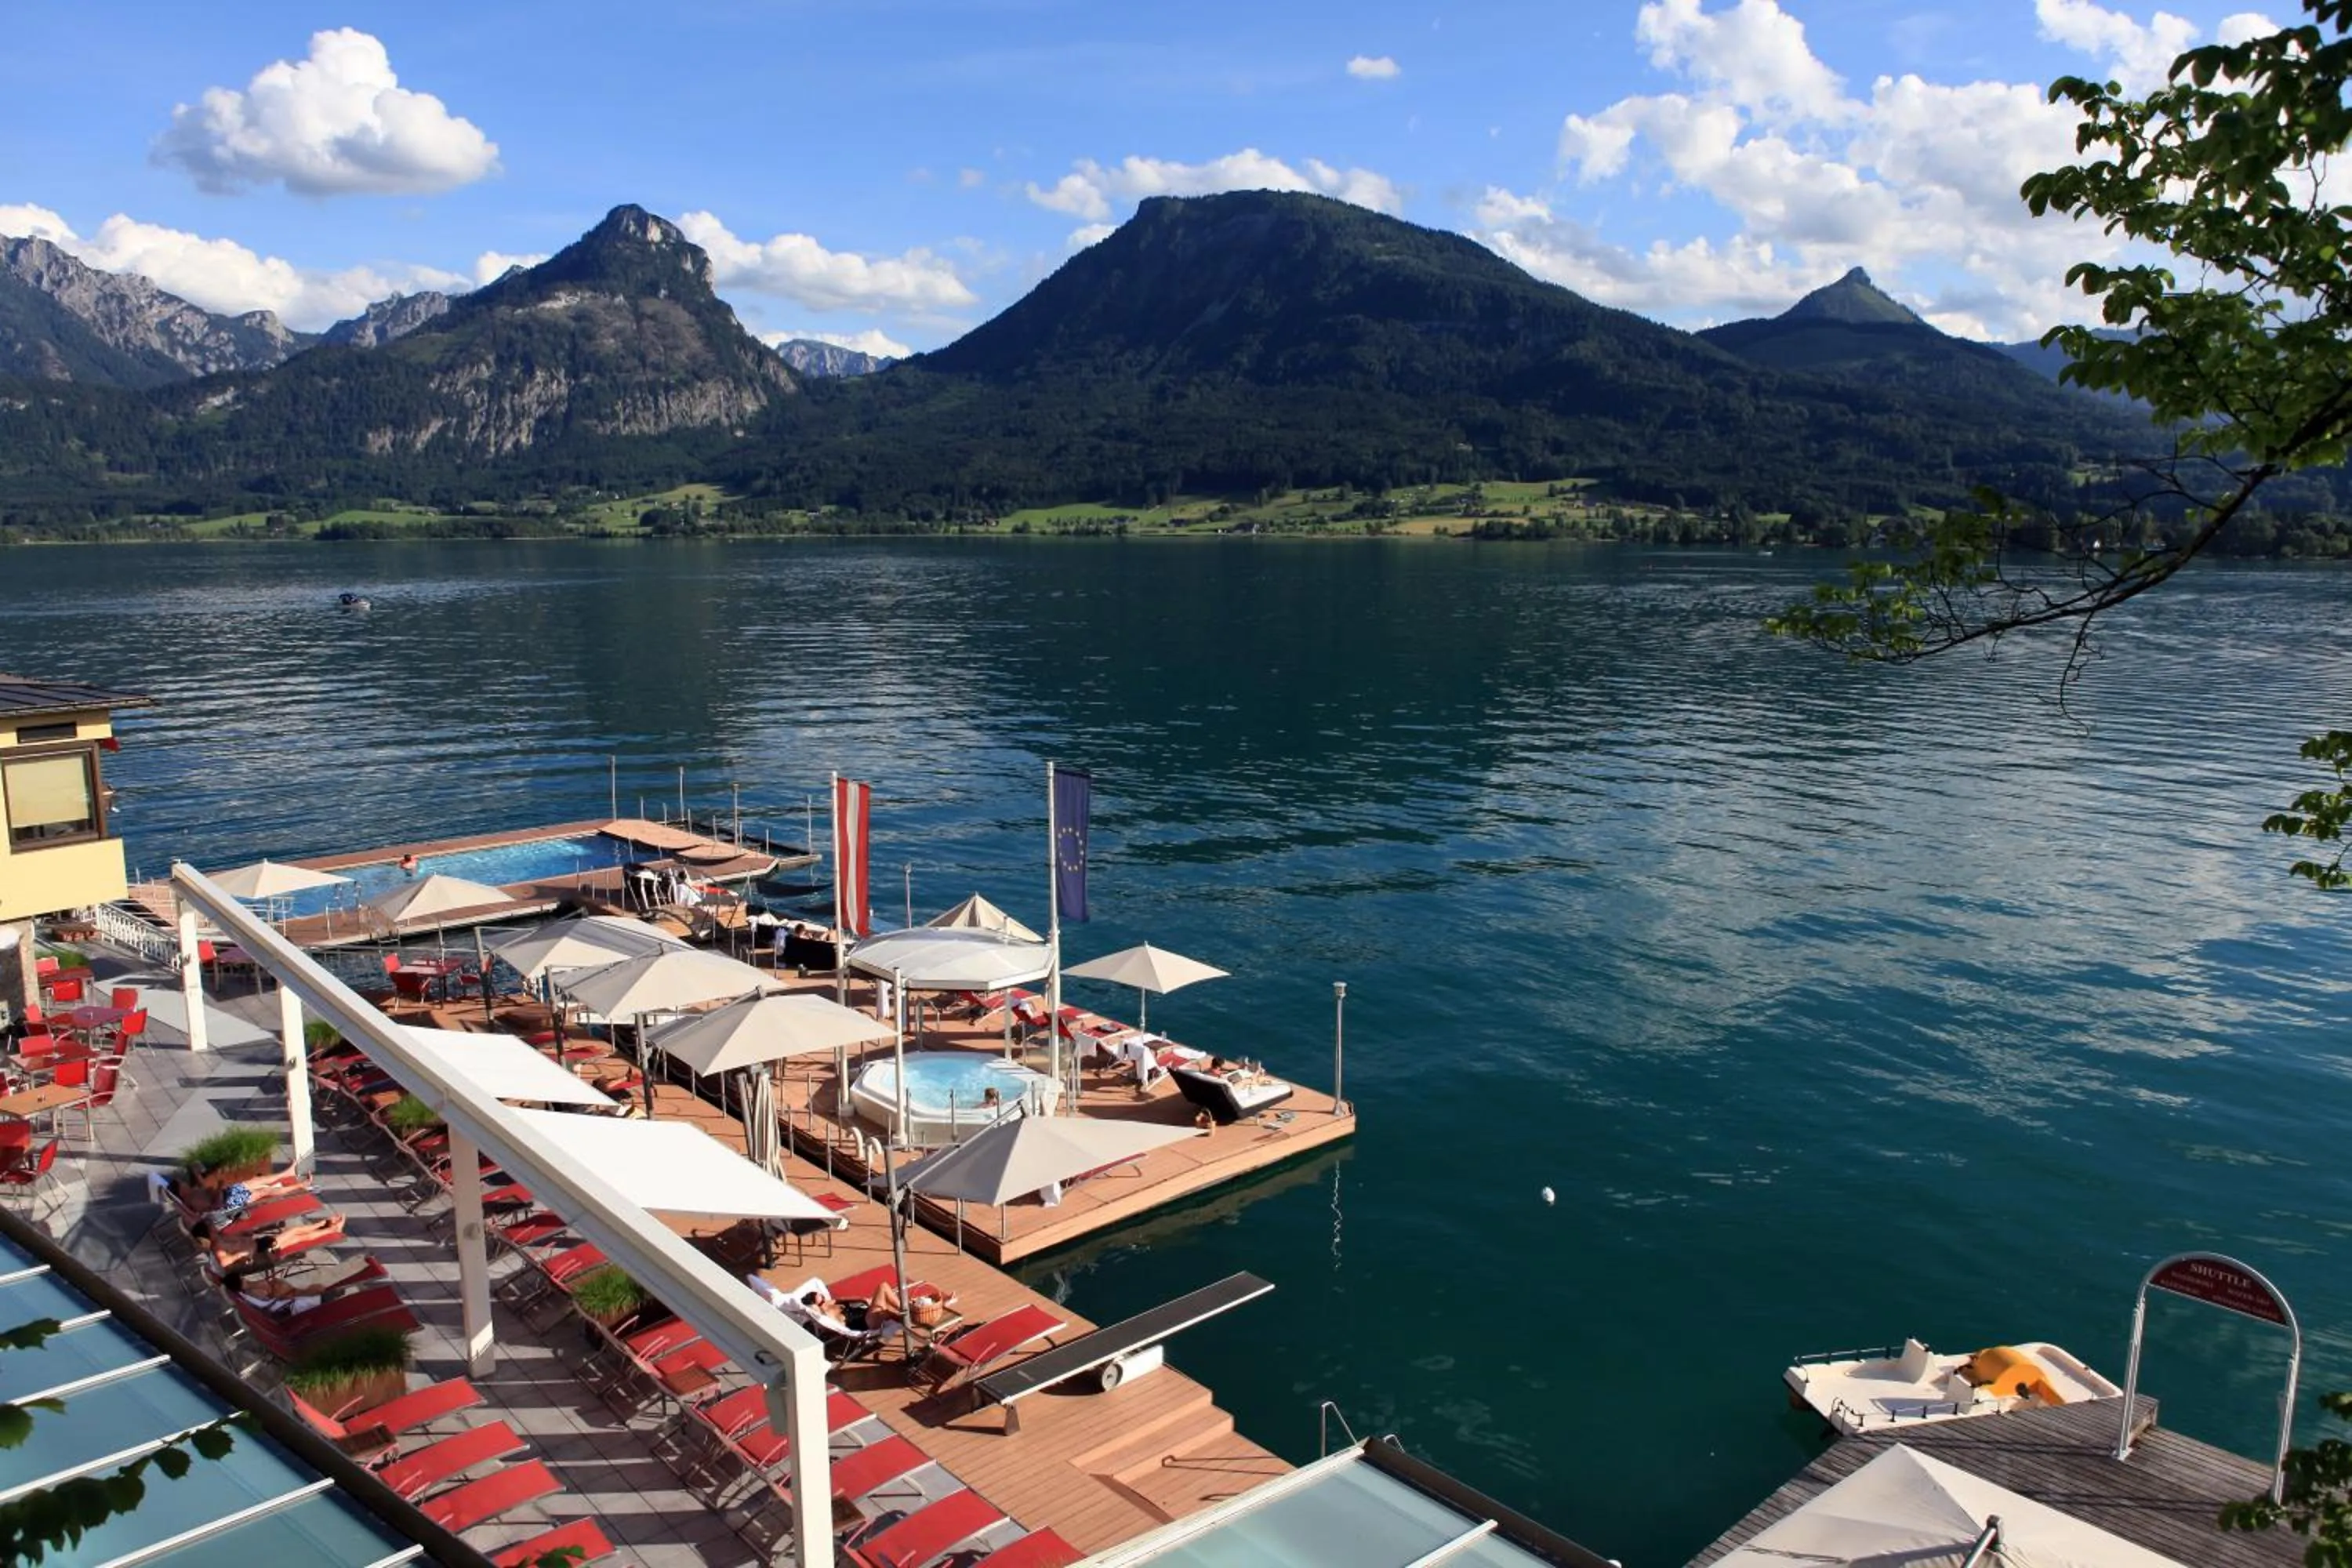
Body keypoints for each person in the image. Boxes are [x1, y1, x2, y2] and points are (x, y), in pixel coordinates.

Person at [800, 1276, 906, 1333]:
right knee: (883, 1287)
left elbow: (842, 1300)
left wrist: (862, 1299)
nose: (819, 1294)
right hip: (867, 1323)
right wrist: (814, 1309)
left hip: (869, 1315)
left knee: (888, 1311)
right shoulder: (825, 1314)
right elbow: (822, 1320)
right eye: (815, 1295)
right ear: (815, 1303)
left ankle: (907, 1318)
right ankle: (905, 1309)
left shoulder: (831, 1302)